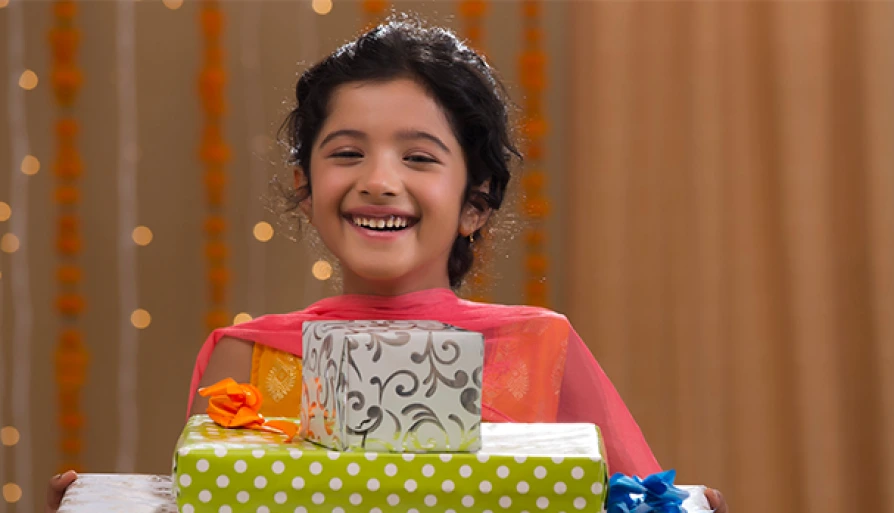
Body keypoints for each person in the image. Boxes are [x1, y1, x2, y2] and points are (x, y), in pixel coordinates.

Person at [48, 18, 727, 512]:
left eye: (420, 157)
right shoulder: (243, 359)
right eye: (346, 152)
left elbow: (638, 500)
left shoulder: (541, 346)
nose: (378, 180)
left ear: (476, 201)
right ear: (305, 189)